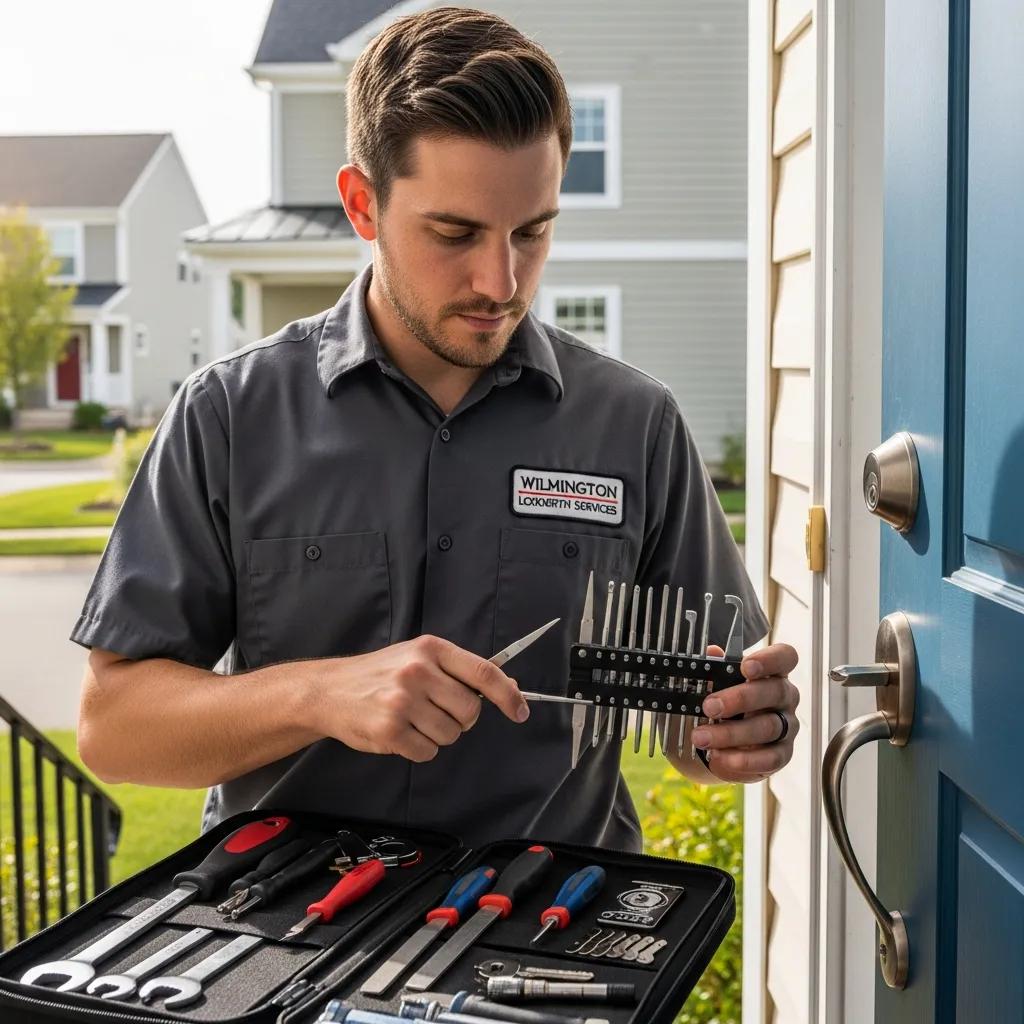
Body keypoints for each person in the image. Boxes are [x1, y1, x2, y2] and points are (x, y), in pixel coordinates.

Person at [73, 6, 799, 852]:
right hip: (289, 934)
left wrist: (740, 733)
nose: (502, 279)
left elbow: (702, 729)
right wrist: (320, 695)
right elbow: (113, 726)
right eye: (454, 233)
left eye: (533, 231)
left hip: (547, 932)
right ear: (362, 204)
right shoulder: (231, 416)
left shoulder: (634, 425)